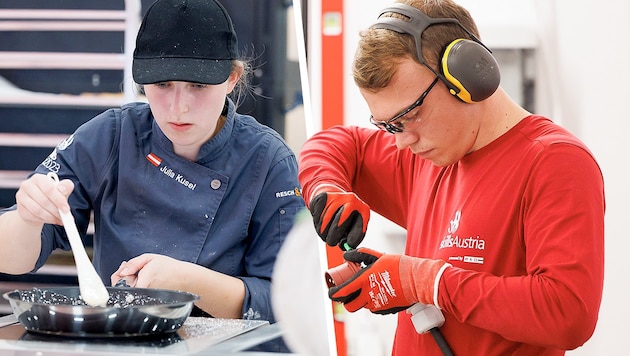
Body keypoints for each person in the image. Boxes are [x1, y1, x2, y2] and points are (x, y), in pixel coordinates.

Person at [299, 1, 605, 355]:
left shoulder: (555, 163)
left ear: (468, 76)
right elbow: (333, 143)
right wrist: (326, 187)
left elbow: (568, 313)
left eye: (410, 116)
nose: (400, 141)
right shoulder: (426, 158)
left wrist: (423, 282)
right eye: (388, 125)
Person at [0, 0, 304, 324]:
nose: (178, 108)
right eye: (162, 85)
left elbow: (289, 302)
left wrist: (188, 282)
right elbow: (11, 256)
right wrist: (28, 220)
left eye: (198, 86)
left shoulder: (269, 162)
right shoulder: (111, 136)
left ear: (232, 77)